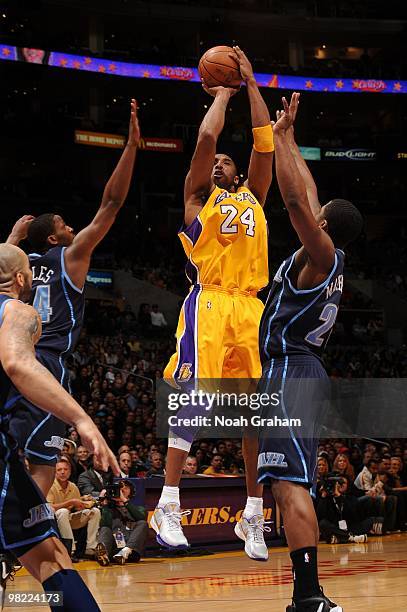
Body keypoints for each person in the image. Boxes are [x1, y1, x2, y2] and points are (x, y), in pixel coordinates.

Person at [151, 47, 274, 561]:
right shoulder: (199, 198)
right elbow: (206, 137)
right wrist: (222, 92)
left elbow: (264, 143)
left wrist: (249, 83)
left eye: (228, 159)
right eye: (217, 161)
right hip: (210, 303)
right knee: (197, 399)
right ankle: (168, 503)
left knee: (254, 417)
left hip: (250, 309)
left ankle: (252, 514)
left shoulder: (254, 197)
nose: (220, 161)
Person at [257, 94, 363, 612]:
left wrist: (275, 141)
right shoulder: (322, 251)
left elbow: (297, 202)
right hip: (295, 372)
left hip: (290, 371)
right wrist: (291, 136)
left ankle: (309, 597)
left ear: (323, 224)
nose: (311, 207)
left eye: (317, 214)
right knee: (284, 482)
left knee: (291, 482)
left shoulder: (321, 254)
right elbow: (310, 191)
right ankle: (306, 596)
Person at [6, 100, 140, 497]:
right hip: (45, 364)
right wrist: (131, 147)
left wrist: (13, 237)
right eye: (65, 226)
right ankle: (24, 536)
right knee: (43, 462)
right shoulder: (70, 258)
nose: (72, 228)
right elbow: (111, 205)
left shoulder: (17, 264)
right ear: (53, 239)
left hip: (9, 359)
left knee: (11, 454)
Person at [0, 242, 119, 609]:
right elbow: (18, 363)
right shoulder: (19, 312)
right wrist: (81, 419)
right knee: (52, 559)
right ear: (21, 279)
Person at [47, 457, 101, 561]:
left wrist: (85, 502)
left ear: (70, 472)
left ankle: (91, 548)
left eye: (65, 469)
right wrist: (71, 502)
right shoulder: (50, 485)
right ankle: (70, 549)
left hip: (70, 519)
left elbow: (77, 507)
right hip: (54, 521)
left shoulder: (73, 486)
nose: (63, 472)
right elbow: (49, 507)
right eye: (59, 470)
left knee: (95, 511)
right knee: (63, 512)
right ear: (55, 472)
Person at [96, 480, 148, 566]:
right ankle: (103, 556)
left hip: (131, 551)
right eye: (120, 488)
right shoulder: (108, 509)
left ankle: (124, 552)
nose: (122, 490)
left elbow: (141, 517)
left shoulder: (139, 508)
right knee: (105, 528)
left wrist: (124, 500)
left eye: (126, 488)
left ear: (131, 491)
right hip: (113, 549)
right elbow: (105, 524)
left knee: (143, 523)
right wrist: (105, 504)